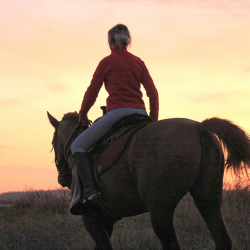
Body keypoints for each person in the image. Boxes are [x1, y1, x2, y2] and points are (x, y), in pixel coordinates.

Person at [70, 24, 159, 215]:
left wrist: (83, 114)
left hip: (117, 114)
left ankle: (91, 192)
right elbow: (153, 93)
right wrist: (153, 121)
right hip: (141, 115)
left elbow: (92, 92)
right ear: (128, 41)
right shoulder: (138, 62)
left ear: (110, 42)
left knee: (77, 146)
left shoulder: (106, 62)